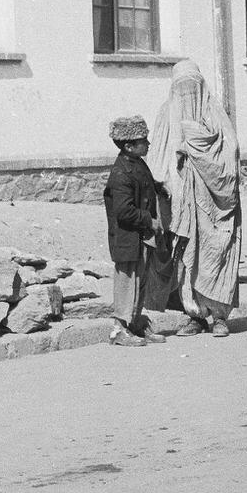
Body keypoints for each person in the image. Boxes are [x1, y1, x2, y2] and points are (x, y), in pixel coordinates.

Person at [149, 61, 242, 337]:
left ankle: (219, 316)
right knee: (185, 257)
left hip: (215, 203)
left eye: (193, 87)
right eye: (181, 88)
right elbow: (157, 156)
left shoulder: (214, 113)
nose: (187, 94)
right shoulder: (166, 113)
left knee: (217, 253)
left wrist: (193, 146)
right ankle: (194, 316)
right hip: (180, 201)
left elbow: (230, 154)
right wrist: (165, 182)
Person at [103, 115, 167, 348]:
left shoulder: (136, 164)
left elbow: (144, 186)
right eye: (143, 140)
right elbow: (123, 211)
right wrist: (150, 221)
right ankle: (118, 330)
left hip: (139, 238)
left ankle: (136, 324)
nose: (147, 144)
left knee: (140, 282)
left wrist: (160, 188)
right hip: (127, 239)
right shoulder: (121, 173)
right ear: (129, 146)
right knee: (127, 283)